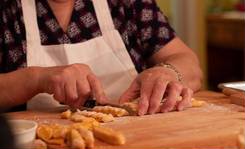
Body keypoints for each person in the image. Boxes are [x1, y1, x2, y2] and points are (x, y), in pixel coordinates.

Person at [0, 0, 202, 115]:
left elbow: (187, 62)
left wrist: (168, 71)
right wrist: (36, 79)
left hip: (139, 137)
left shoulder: (128, 4)